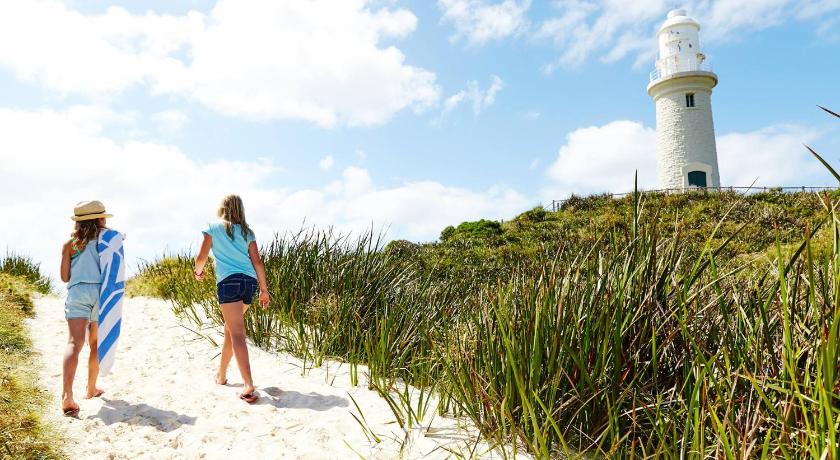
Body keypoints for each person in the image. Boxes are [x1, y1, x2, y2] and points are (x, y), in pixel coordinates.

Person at [194, 195, 270, 404]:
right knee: (230, 329)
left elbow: (201, 258)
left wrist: (198, 273)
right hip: (249, 282)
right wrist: (264, 290)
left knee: (236, 332)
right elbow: (258, 262)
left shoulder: (213, 227)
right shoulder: (247, 232)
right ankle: (221, 376)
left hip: (228, 282)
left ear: (222, 208)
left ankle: (248, 383)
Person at [59, 200, 111, 417]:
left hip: (78, 293)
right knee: (95, 343)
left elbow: (64, 277)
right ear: (100, 219)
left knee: (74, 343)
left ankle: (67, 395)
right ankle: (91, 388)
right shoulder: (107, 242)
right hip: (100, 294)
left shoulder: (69, 245)